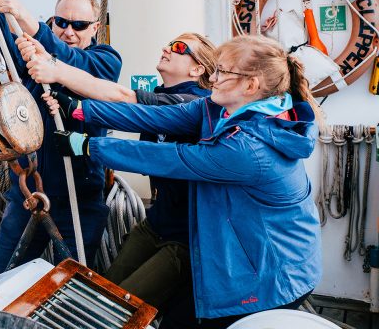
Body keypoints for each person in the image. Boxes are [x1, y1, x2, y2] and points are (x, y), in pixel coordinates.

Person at [52, 35, 322, 328]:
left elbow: (173, 158)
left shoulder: (250, 150)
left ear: (251, 85)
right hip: (228, 254)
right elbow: (154, 117)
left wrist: (90, 146)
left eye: (222, 72)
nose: (213, 78)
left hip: (268, 275)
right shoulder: (216, 108)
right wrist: (81, 109)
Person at [17, 31, 216, 318]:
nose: (166, 48)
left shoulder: (194, 103)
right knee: (104, 288)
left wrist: (54, 67)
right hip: (156, 224)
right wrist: (72, 108)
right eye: (168, 42)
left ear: (197, 68)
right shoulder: (161, 96)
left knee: (119, 308)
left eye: (178, 47)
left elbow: (122, 97)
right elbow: (119, 110)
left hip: (185, 239)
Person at [0, 0, 122, 273]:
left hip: (78, 200)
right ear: (53, 21)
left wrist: (26, 18)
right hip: (28, 193)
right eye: (62, 23)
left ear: (96, 28)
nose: (69, 31)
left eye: (80, 25)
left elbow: (66, 58)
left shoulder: (105, 61)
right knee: (2, 273)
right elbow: (5, 35)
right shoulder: (33, 56)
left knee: (78, 281)